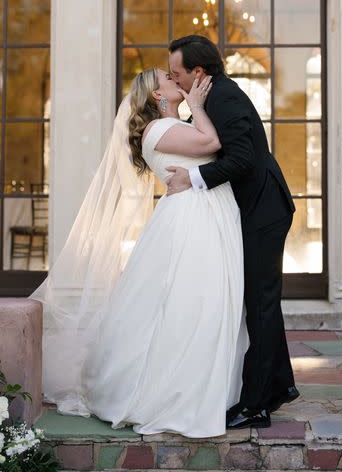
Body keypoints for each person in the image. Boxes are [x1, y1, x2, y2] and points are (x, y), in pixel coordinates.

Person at [30, 67, 249, 438]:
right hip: (190, 222)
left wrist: (191, 109)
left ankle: (209, 386)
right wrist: (197, 105)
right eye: (168, 79)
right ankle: (166, 391)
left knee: (206, 302)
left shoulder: (171, 126)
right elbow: (211, 144)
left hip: (206, 216)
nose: (177, 82)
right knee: (189, 302)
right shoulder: (160, 130)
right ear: (156, 96)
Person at [167, 35, 299, 429]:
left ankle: (255, 404)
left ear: (198, 72)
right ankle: (279, 387)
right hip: (254, 209)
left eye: (177, 74)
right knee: (259, 302)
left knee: (259, 303)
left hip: (264, 210)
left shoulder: (223, 97)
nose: (174, 80)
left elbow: (241, 158)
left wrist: (193, 178)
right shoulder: (209, 97)